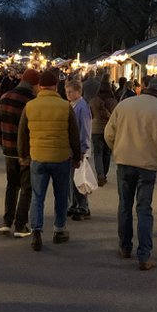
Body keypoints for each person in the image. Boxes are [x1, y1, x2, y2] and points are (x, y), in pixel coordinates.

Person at [104, 76, 157, 271]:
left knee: (124, 206)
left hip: (124, 161)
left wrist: (118, 148)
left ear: (145, 87)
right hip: (147, 164)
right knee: (144, 209)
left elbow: (109, 134)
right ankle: (144, 255)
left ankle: (124, 246)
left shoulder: (125, 105)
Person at [17, 70, 81, 252]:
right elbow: (73, 134)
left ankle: (37, 231)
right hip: (61, 158)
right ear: (56, 86)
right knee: (61, 195)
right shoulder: (65, 106)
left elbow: (22, 134)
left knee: (37, 196)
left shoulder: (30, 106)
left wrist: (23, 155)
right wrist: (76, 157)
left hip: (38, 157)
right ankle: (59, 230)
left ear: (40, 86)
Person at [0, 68, 40, 237]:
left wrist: (2, 143)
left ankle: (7, 221)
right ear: (34, 84)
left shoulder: (5, 97)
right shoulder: (30, 100)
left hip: (8, 149)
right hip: (25, 150)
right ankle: (21, 225)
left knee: (11, 185)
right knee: (26, 187)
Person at [65, 78, 92, 221]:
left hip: (79, 149)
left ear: (78, 92)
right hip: (73, 149)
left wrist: (83, 150)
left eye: (70, 92)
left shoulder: (82, 107)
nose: (68, 95)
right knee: (73, 179)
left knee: (79, 180)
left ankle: (82, 207)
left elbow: (84, 129)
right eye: (67, 92)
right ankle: (74, 205)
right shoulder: (74, 105)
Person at [90, 82, 117, 185]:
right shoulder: (113, 101)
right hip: (109, 129)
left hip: (96, 129)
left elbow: (91, 114)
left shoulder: (93, 101)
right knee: (107, 153)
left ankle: (100, 174)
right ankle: (104, 174)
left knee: (97, 153)